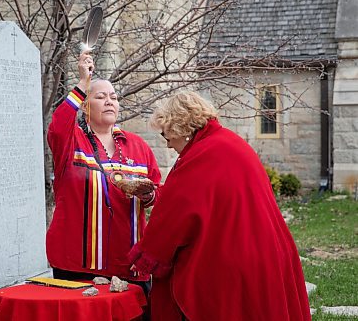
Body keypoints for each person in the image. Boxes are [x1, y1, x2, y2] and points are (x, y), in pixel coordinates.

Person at [128, 91, 311, 320]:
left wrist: (146, 256)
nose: (168, 145)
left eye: (167, 136)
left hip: (232, 262)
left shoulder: (201, 156)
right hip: (266, 254)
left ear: (180, 129)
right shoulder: (229, 143)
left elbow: (173, 218)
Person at [46, 51, 161, 288]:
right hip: (77, 265)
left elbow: (159, 194)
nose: (109, 101)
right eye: (100, 97)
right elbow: (58, 126)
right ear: (85, 106)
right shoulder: (71, 141)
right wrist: (82, 83)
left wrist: (148, 195)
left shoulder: (138, 146)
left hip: (130, 265)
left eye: (114, 97)